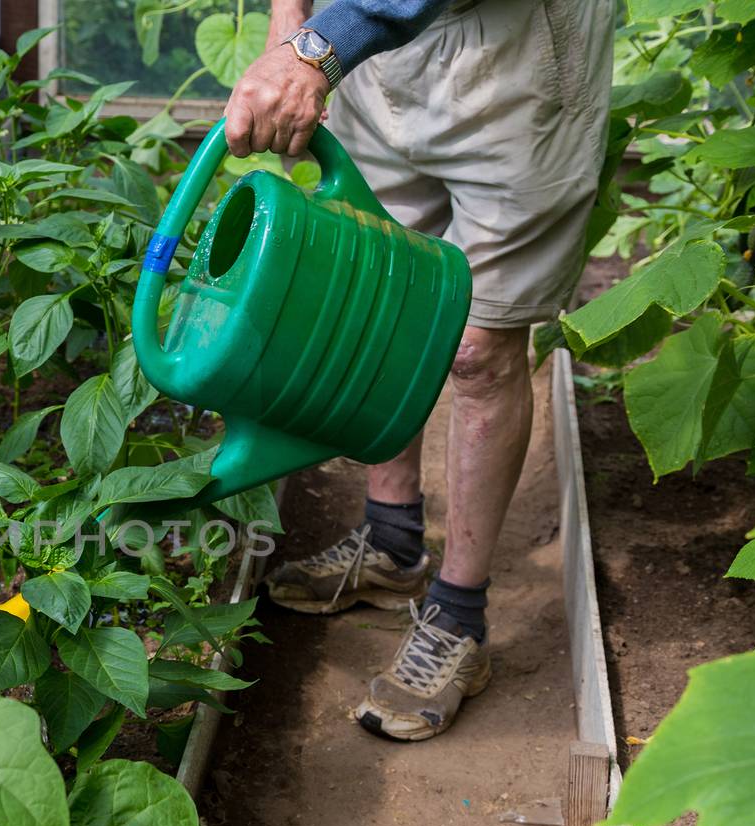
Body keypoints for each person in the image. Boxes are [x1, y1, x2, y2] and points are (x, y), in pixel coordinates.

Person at [227, 0, 613, 740]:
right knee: (383, 283)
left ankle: (460, 616)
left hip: (520, 54)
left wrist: (316, 51)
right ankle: (392, 540)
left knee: (478, 347)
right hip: (371, 49)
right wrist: (293, 18)